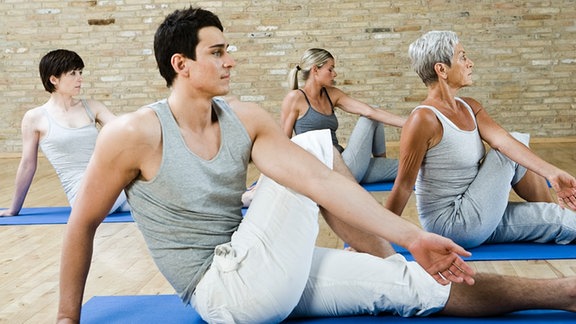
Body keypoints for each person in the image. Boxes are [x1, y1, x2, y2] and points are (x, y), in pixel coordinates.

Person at [57, 8, 576, 323]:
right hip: (221, 291)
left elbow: (323, 185)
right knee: (315, 151)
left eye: (228, 50)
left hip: (264, 271)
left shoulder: (245, 118)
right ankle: (389, 252)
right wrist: (65, 317)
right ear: (181, 64)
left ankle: (564, 294)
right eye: (217, 52)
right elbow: (81, 224)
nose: (231, 60)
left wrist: (412, 242)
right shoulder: (134, 133)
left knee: (417, 287)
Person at [385, 30, 576, 249]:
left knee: (561, 220)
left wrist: (552, 173)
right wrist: (374, 239)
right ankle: (550, 212)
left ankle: (552, 211)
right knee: (513, 144)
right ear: (442, 69)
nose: (470, 63)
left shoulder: (469, 106)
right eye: (462, 57)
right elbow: (403, 187)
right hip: (453, 223)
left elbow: (503, 141)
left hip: (480, 210)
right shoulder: (423, 119)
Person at [0, 49, 129, 217]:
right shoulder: (35, 117)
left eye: (80, 72)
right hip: (84, 197)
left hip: (111, 188)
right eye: (72, 73)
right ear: (54, 79)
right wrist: (13, 210)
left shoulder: (92, 106)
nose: (80, 78)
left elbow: (124, 130)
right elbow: (27, 165)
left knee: (158, 197)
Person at [280, 48, 405, 184]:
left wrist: (408, 123)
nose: (335, 74)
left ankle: (382, 161)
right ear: (315, 70)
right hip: (329, 170)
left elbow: (368, 111)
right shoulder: (294, 98)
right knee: (372, 113)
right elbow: (282, 144)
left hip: (347, 163)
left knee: (410, 169)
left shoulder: (332, 94)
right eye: (330, 69)